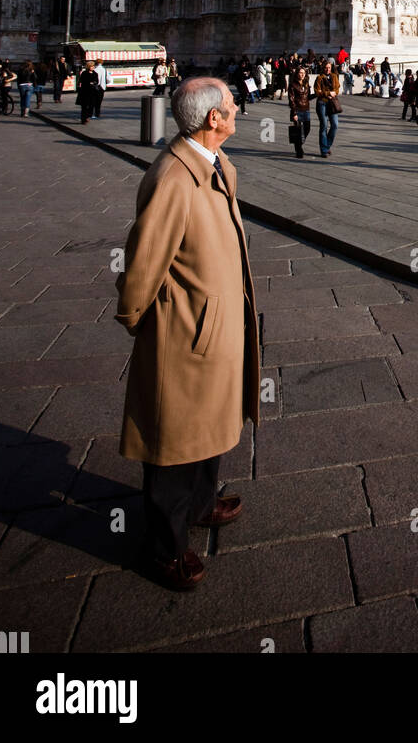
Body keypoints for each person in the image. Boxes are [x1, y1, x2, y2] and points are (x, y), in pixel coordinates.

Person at [115, 77, 259, 590]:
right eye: (231, 104)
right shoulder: (175, 176)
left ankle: (202, 502)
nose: (239, 108)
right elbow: (144, 260)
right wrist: (138, 318)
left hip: (216, 322)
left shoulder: (215, 164)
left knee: (209, 422)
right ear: (212, 119)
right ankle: (164, 549)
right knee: (174, 440)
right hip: (186, 329)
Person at [314, 60, 341, 158]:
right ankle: (324, 150)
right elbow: (317, 92)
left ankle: (327, 145)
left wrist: (333, 93)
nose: (327, 69)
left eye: (329, 67)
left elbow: (337, 88)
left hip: (332, 103)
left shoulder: (334, 76)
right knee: (324, 126)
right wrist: (328, 93)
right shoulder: (319, 78)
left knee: (335, 124)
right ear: (323, 68)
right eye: (326, 67)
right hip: (322, 103)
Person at [288, 65, 312, 158]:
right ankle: (299, 150)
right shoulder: (293, 85)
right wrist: (294, 112)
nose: (302, 75)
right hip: (297, 110)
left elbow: (308, 97)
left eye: (303, 73)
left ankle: (299, 143)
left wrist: (318, 94)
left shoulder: (306, 84)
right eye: (300, 73)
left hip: (306, 109)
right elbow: (291, 100)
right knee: (297, 131)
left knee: (307, 129)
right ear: (297, 73)